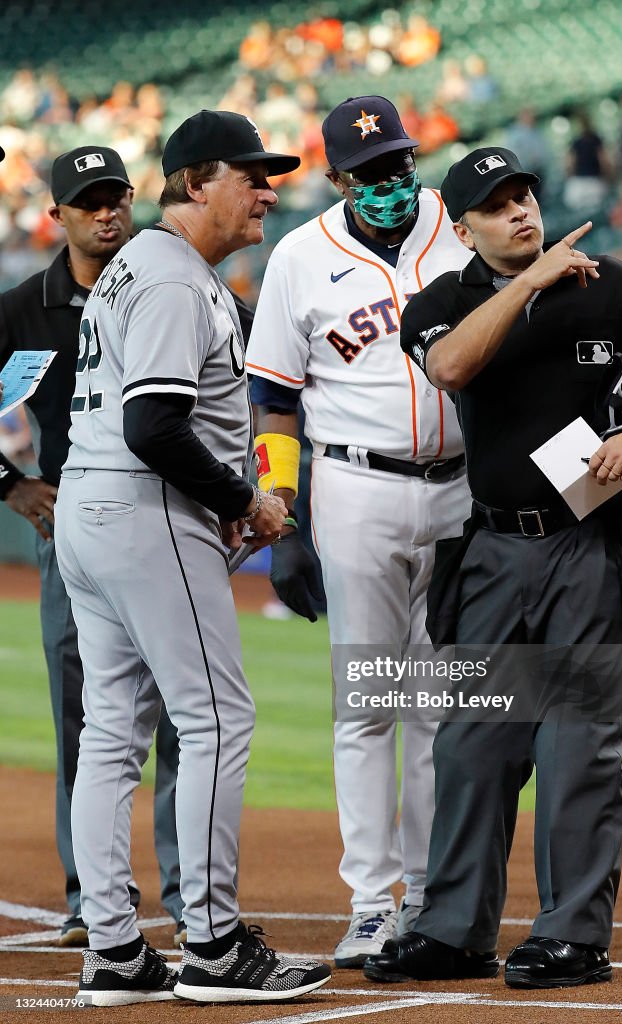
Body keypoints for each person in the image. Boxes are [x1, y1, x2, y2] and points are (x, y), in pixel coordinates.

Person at [363, 146, 622, 987]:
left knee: (577, 748)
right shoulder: (439, 304)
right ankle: (453, 931)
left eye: (526, 193)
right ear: (463, 225)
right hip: (491, 548)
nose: (521, 211)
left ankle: (574, 934)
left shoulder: (619, 286)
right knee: (472, 747)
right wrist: (527, 284)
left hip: (592, 547)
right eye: (498, 204)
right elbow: (450, 368)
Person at [53, 109, 331, 1005]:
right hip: (145, 508)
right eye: (249, 174)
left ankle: (115, 950)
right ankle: (213, 947)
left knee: (111, 733)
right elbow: (155, 424)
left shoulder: (136, 266)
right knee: (216, 721)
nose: (267, 189)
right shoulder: (174, 278)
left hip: (92, 512)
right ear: (193, 182)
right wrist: (245, 499)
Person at [245, 95, 472, 967]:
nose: (391, 181)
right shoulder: (302, 256)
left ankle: (427, 893)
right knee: (371, 704)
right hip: (353, 489)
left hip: (458, 491)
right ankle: (372, 901)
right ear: (339, 178)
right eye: (370, 172)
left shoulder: (458, 226)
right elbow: (274, 396)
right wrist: (285, 520)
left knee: (440, 704)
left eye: (401, 163)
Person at [0, 145, 186, 947]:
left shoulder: (171, 281)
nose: (108, 212)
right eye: (89, 201)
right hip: (72, 527)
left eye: (118, 197)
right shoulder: (20, 310)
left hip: (173, 516)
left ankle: (188, 894)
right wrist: (10, 486)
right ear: (59, 217)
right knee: (84, 714)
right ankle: (91, 897)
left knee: (190, 714)